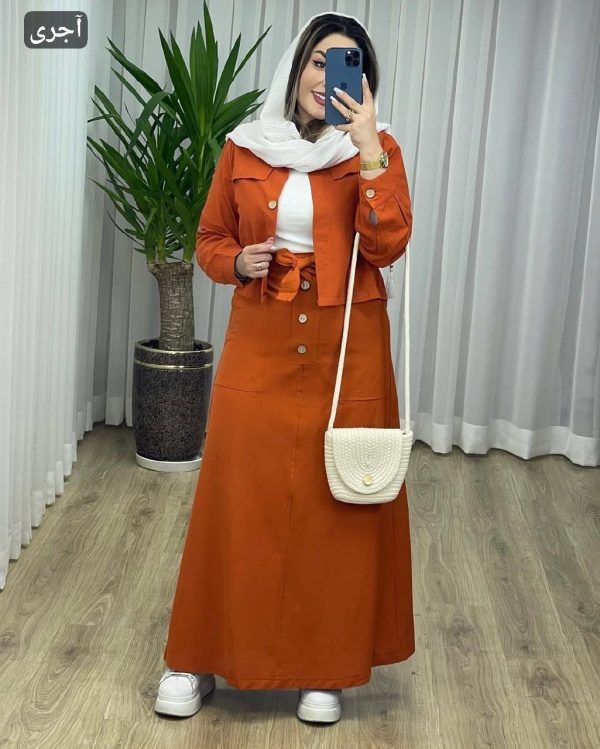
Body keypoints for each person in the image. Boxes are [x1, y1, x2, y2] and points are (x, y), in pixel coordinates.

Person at [154, 10, 415, 725]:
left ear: (364, 82)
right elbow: (211, 238)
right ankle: (196, 655)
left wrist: (368, 147)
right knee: (238, 498)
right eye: (318, 61)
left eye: (347, 65)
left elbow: (387, 244)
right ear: (297, 68)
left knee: (338, 507)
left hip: (348, 347)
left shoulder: (377, 148)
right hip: (262, 337)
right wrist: (238, 261)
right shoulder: (245, 146)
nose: (327, 78)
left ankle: (323, 666)